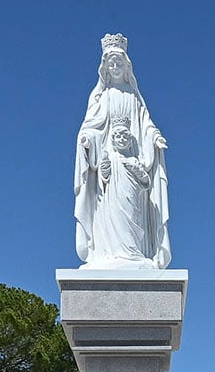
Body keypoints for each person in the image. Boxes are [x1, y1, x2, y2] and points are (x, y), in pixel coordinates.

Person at [73, 32, 171, 269]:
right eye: (111, 63)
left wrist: (154, 138)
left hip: (132, 162)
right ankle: (110, 253)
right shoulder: (101, 95)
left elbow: (145, 125)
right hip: (109, 165)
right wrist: (87, 140)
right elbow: (90, 126)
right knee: (112, 209)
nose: (115, 67)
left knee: (132, 209)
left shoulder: (134, 97)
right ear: (105, 67)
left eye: (119, 63)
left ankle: (134, 253)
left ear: (126, 66)